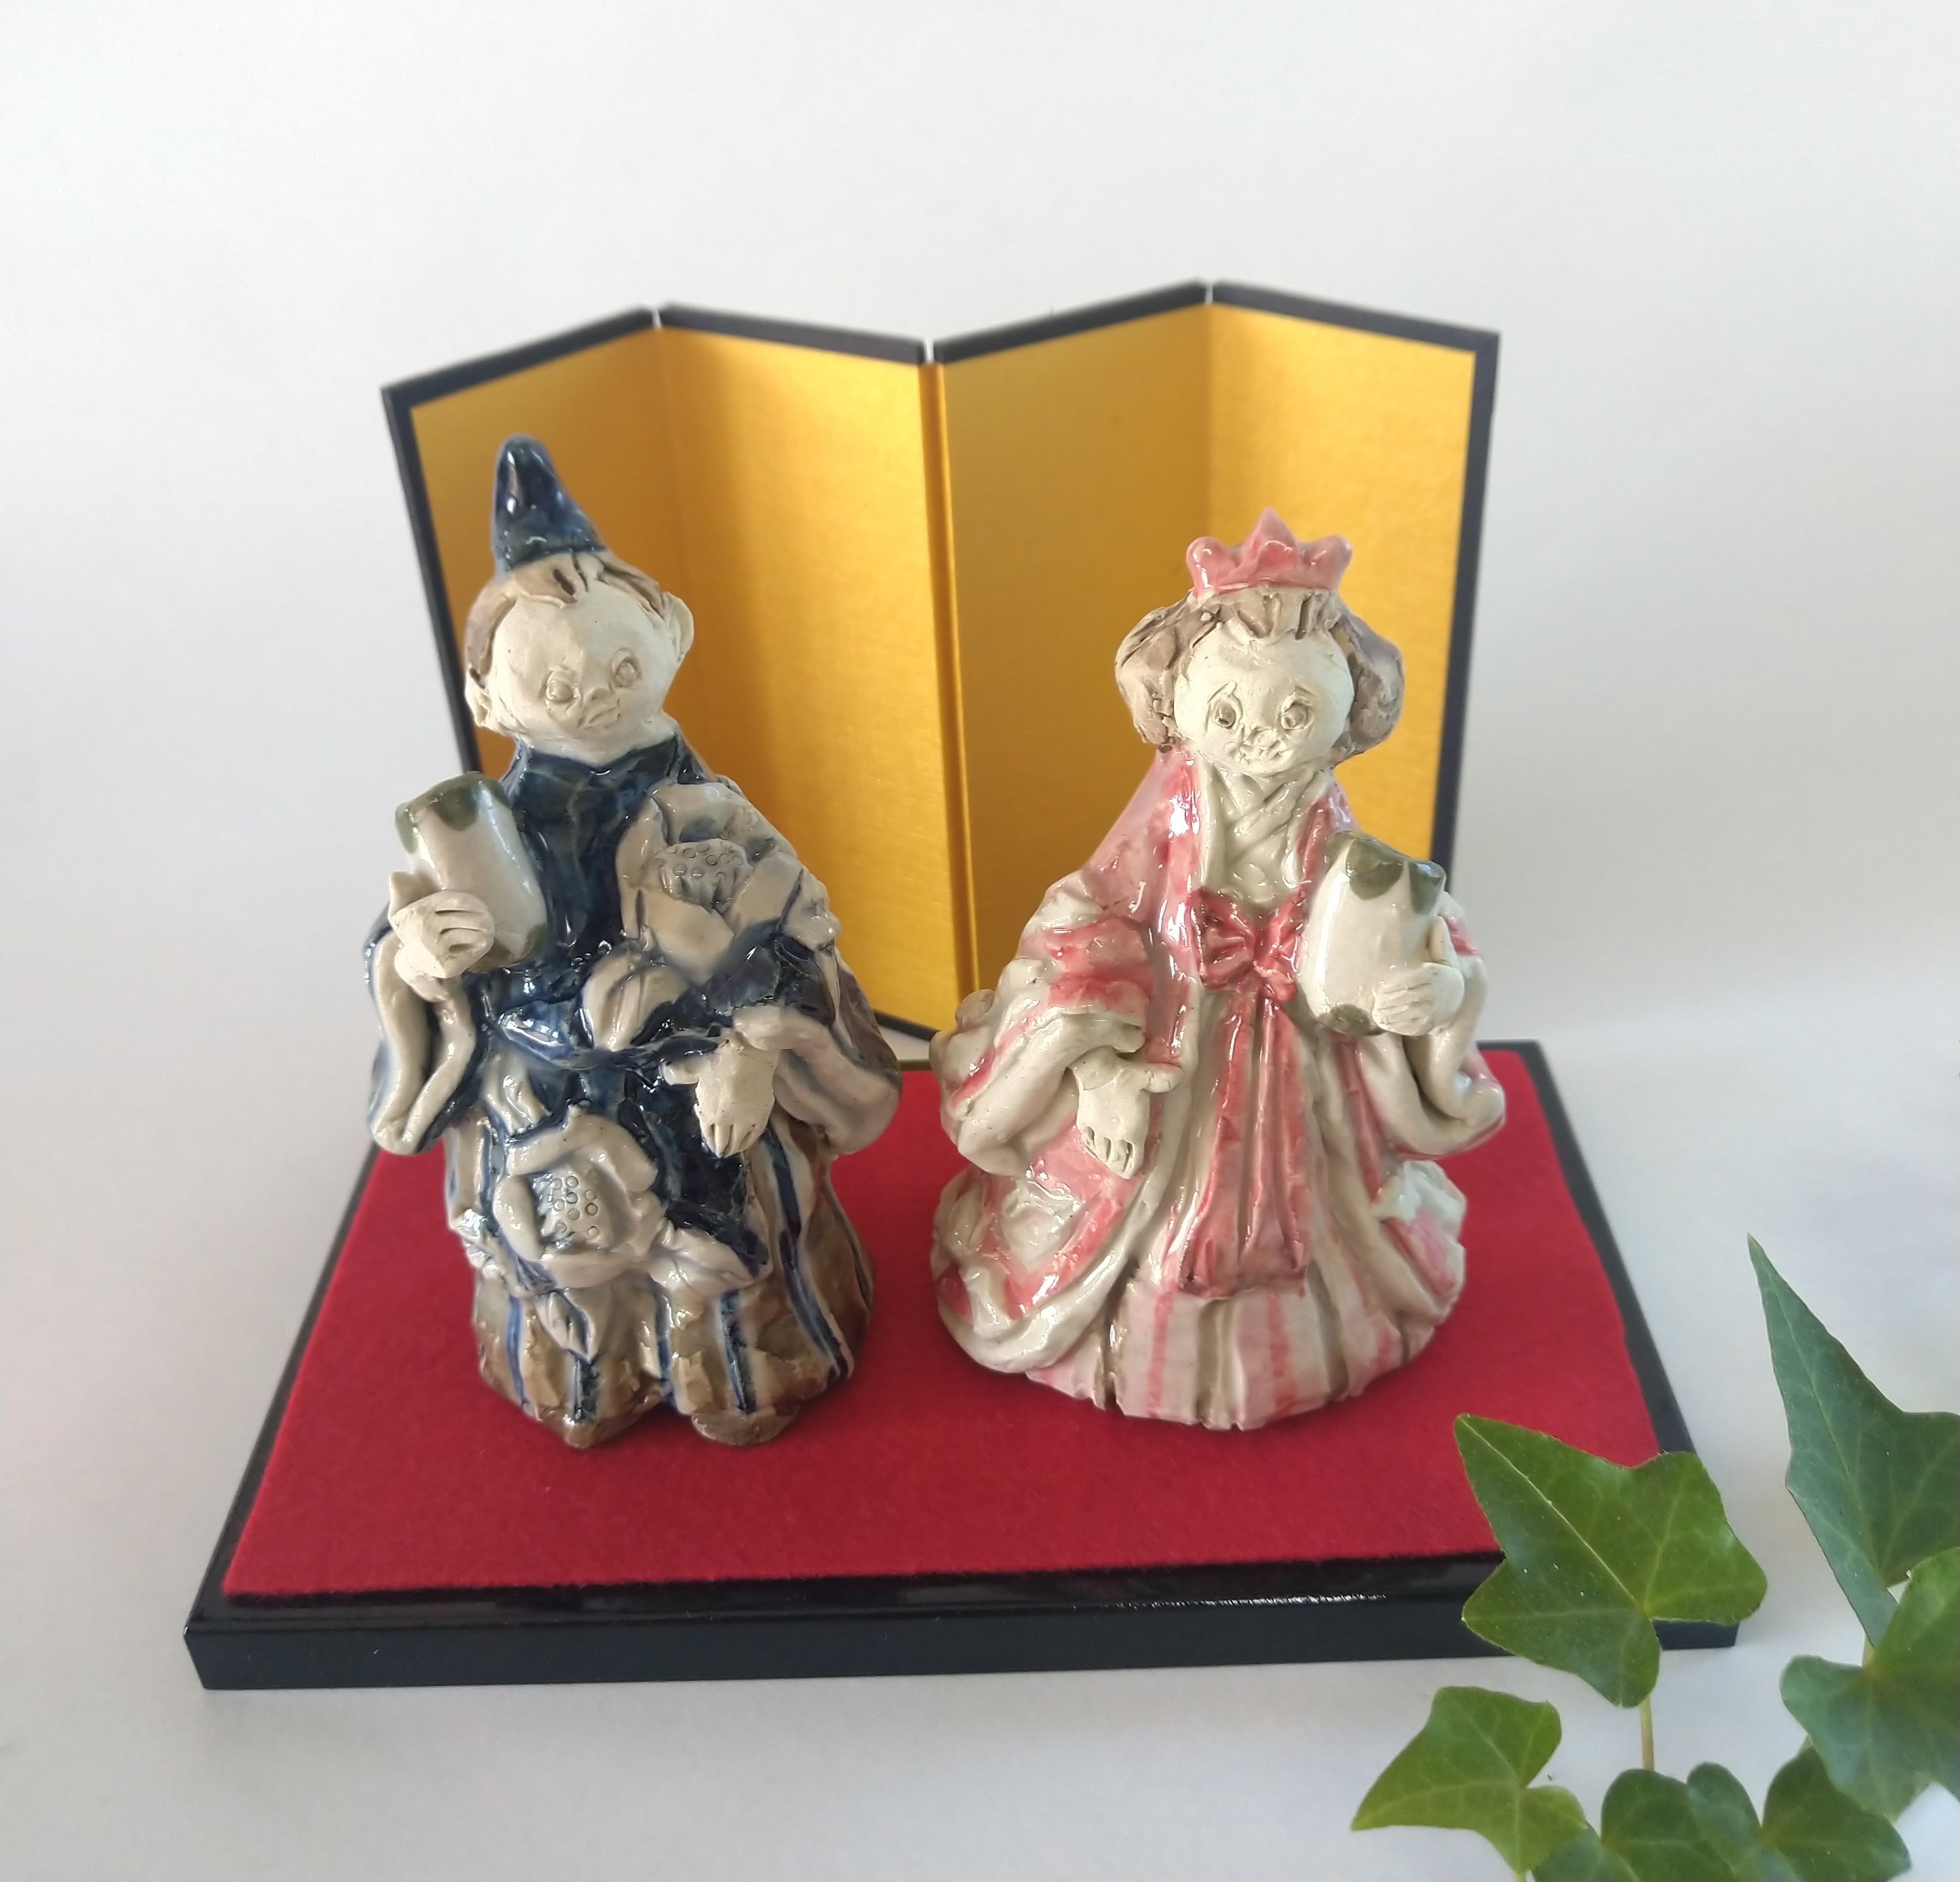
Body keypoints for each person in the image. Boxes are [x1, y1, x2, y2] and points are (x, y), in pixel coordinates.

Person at [368, 438, 898, 1446]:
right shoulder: (483, 834)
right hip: (542, 1093)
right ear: (487, 700)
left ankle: (748, 1372)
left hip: (698, 1083)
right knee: (563, 1257)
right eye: (555, 687)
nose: (596, 698)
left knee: (736, 1247)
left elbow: (795, 932)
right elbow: (402, 964)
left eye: (619, 665)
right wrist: (425, 960)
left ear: (673, 633)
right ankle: (591, 1378)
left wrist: (753, 1048)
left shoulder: (714, 815)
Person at [930, 510, 1504, 1430]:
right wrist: (1098, 1074)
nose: (1261, 739)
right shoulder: (1151, 847)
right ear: (1178, 712)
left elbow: (1429, 941)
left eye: (1296, 713)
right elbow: (1076, 937)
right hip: (1175, 1066)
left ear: (1347, 716)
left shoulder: (1351, 856)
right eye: (1228, 713)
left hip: (1311, 1080)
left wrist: (1435, 995)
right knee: (1132, 1203)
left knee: (1326, 1215)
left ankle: (1309, 1338)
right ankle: (1138, 1341)